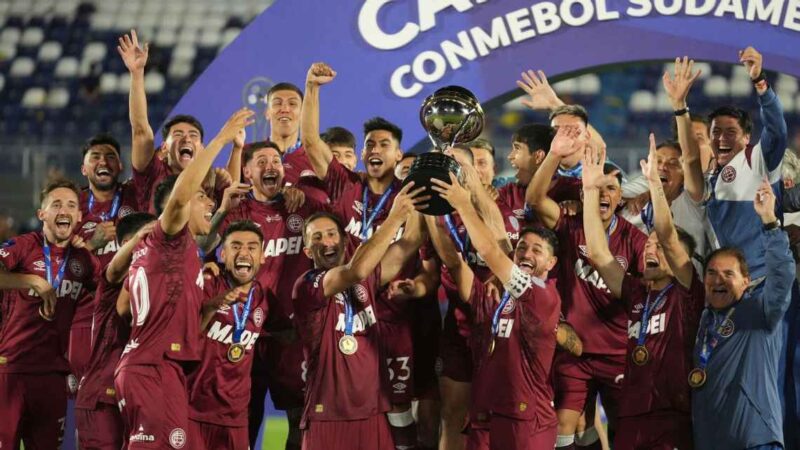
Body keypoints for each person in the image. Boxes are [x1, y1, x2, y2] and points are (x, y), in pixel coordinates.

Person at [114, 109, 253, 449]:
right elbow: (179, 196)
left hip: (150, 365)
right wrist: (221, 138)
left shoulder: (171, 250)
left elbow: (122, 308)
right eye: (202, 197)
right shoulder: (169, 238)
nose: (209, 202)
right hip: (154, 368)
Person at [527, 125, 647, 448]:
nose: (604, 194)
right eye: (597, 188)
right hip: (574, 349)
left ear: (621, 196)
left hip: (617, 352)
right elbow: (535, 198)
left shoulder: (636, 241)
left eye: (611, 188)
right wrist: (554, 154)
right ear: (583, 193)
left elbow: (642, 296)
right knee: (566, 424)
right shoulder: (568, 226)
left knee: (622, 426)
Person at [583, 137, 704, 449]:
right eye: (648, 245)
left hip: (672, 415)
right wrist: (588, 192)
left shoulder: (688, 294)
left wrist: (655, 187)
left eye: (660, 247)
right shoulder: (635, 292)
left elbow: (666, 233)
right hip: (631, 413)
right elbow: (598, 252)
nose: (652, 247)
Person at [427, 172, 562, 449]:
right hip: (489, 415)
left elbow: (491, 249)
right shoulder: (494, 298)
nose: (526, 253)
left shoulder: (542, 294)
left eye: (537, 250)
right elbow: (455, 263)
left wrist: (464, 205)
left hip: (527, 420)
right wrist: (432, 211)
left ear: (551, 263)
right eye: (522, 247)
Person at [292, 182, 428, 450]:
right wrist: (395, 217)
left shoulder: (365, 279)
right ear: (308, 252)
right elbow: (355, 270)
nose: (326, 241)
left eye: (331, 234)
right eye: (316, 238)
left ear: (344, 240)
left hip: (373, 410)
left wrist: (425, 202)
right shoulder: (308, 285)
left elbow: (409, 243)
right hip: (328, 414)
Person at [212, 141, 326, 450]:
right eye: (261, 161)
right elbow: (205, 247)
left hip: (292, 337)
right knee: (242, 420)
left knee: (299, 421)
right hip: (243, 335)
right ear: (247, 171)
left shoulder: (301, 206)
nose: (270, 166)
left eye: (275, 160)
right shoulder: (236, 209)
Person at [692, 179, 794, 449]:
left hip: (756, 440)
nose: (718, 280)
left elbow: (782, 275)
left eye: (729, 274)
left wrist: (770, 222)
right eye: (712, 273)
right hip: (712, 440)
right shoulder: (703, 320)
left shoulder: (761, 311)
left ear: (746, 281)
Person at [0, 179, 100, 449]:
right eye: (56, 205)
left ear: (79, 216)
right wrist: (32, 281)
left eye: (70, 205)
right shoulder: (24, 245)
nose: (64, 210)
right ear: (41, 214)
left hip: (53, 376)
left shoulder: (83, 261)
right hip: (10, 370)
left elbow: (109, 292)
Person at [687, 46, 788, 280]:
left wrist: (760, 81)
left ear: (746, 138)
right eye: (716, 132)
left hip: (761, 281)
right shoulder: (706, 176)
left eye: (731, 132)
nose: (722, 138)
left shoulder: (757, 160)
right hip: (721, 286)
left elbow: (777, 130)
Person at [118, 30, 234, 213]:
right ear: (164, 148)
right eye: (178, 134)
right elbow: (140, 130)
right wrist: (137, 73)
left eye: (193, 135)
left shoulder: (210, 179)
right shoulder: (151, 173)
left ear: (202, 149)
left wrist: (223, 181)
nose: (186, 139)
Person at [301, 62, 405, 253]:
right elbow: (310, 141)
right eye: (370, 145)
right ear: (363, 154)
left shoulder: (407, 198)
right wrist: (312, 87)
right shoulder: (345, 184)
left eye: (384, 145)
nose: (376, 150)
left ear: (399, 154)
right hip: (345, 281)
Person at [75, 212, 156, 450]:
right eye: (147, 242)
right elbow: (115, 270)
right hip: (102, 396)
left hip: (134, 396)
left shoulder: (151, 281)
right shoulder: (112, 279)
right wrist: (142, 237)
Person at [187, 220, 270, 449]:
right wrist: (213, 306)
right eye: (235, 246)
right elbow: (185, 339)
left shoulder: (263, 298)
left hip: (236, 418)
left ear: (263, 256)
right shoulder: (205, 283)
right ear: (222, 254)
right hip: (192, 411)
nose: (244, 252)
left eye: (252, 247)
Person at [72, 133, 145, 384]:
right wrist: (92, 244)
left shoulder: (136, 196)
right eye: (95, 157)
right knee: (83, 398)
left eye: (111, 156)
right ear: (84, 168)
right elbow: (58, 263)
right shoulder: (71, 206)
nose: (103, 161)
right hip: (85, 316)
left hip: (131, 311)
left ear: (120, 166)